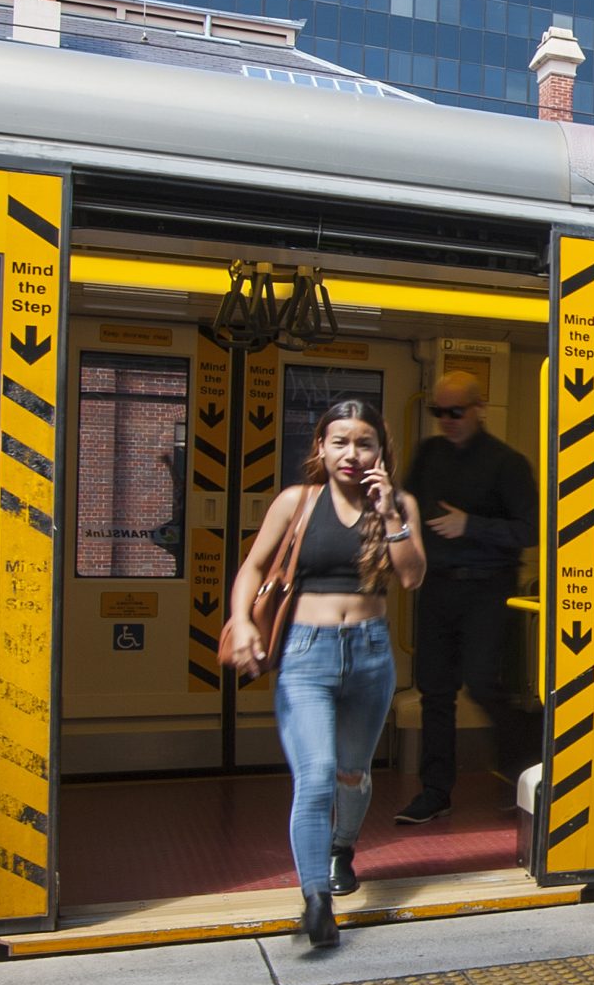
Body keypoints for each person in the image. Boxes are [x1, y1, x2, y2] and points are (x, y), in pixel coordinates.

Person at [220, 401, 425, 949]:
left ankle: (341, 849)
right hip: (306, 655)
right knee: (314, 775)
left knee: (351, 774)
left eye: (363, 444)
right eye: (339, 442)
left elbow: (411, 578)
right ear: (320, 448)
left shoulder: (400, 504)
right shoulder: (297, 502)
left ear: (381, 452)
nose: (351, 454)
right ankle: (316, 898)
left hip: (371, 653)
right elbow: (253, 568)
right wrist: (242, 622)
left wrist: (388, 516)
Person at [398, 370, 539, 822]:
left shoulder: (507, 463)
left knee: (482, 682)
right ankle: (434, 792)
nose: (447, 420)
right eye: (438, 411)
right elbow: (409, 509)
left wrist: (471, 525)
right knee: (434, 692)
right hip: (436, 586)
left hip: (487, 586)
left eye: (456, 411)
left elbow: (531, 530)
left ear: (479, 409)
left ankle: (524, 768)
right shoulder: (428, 455)